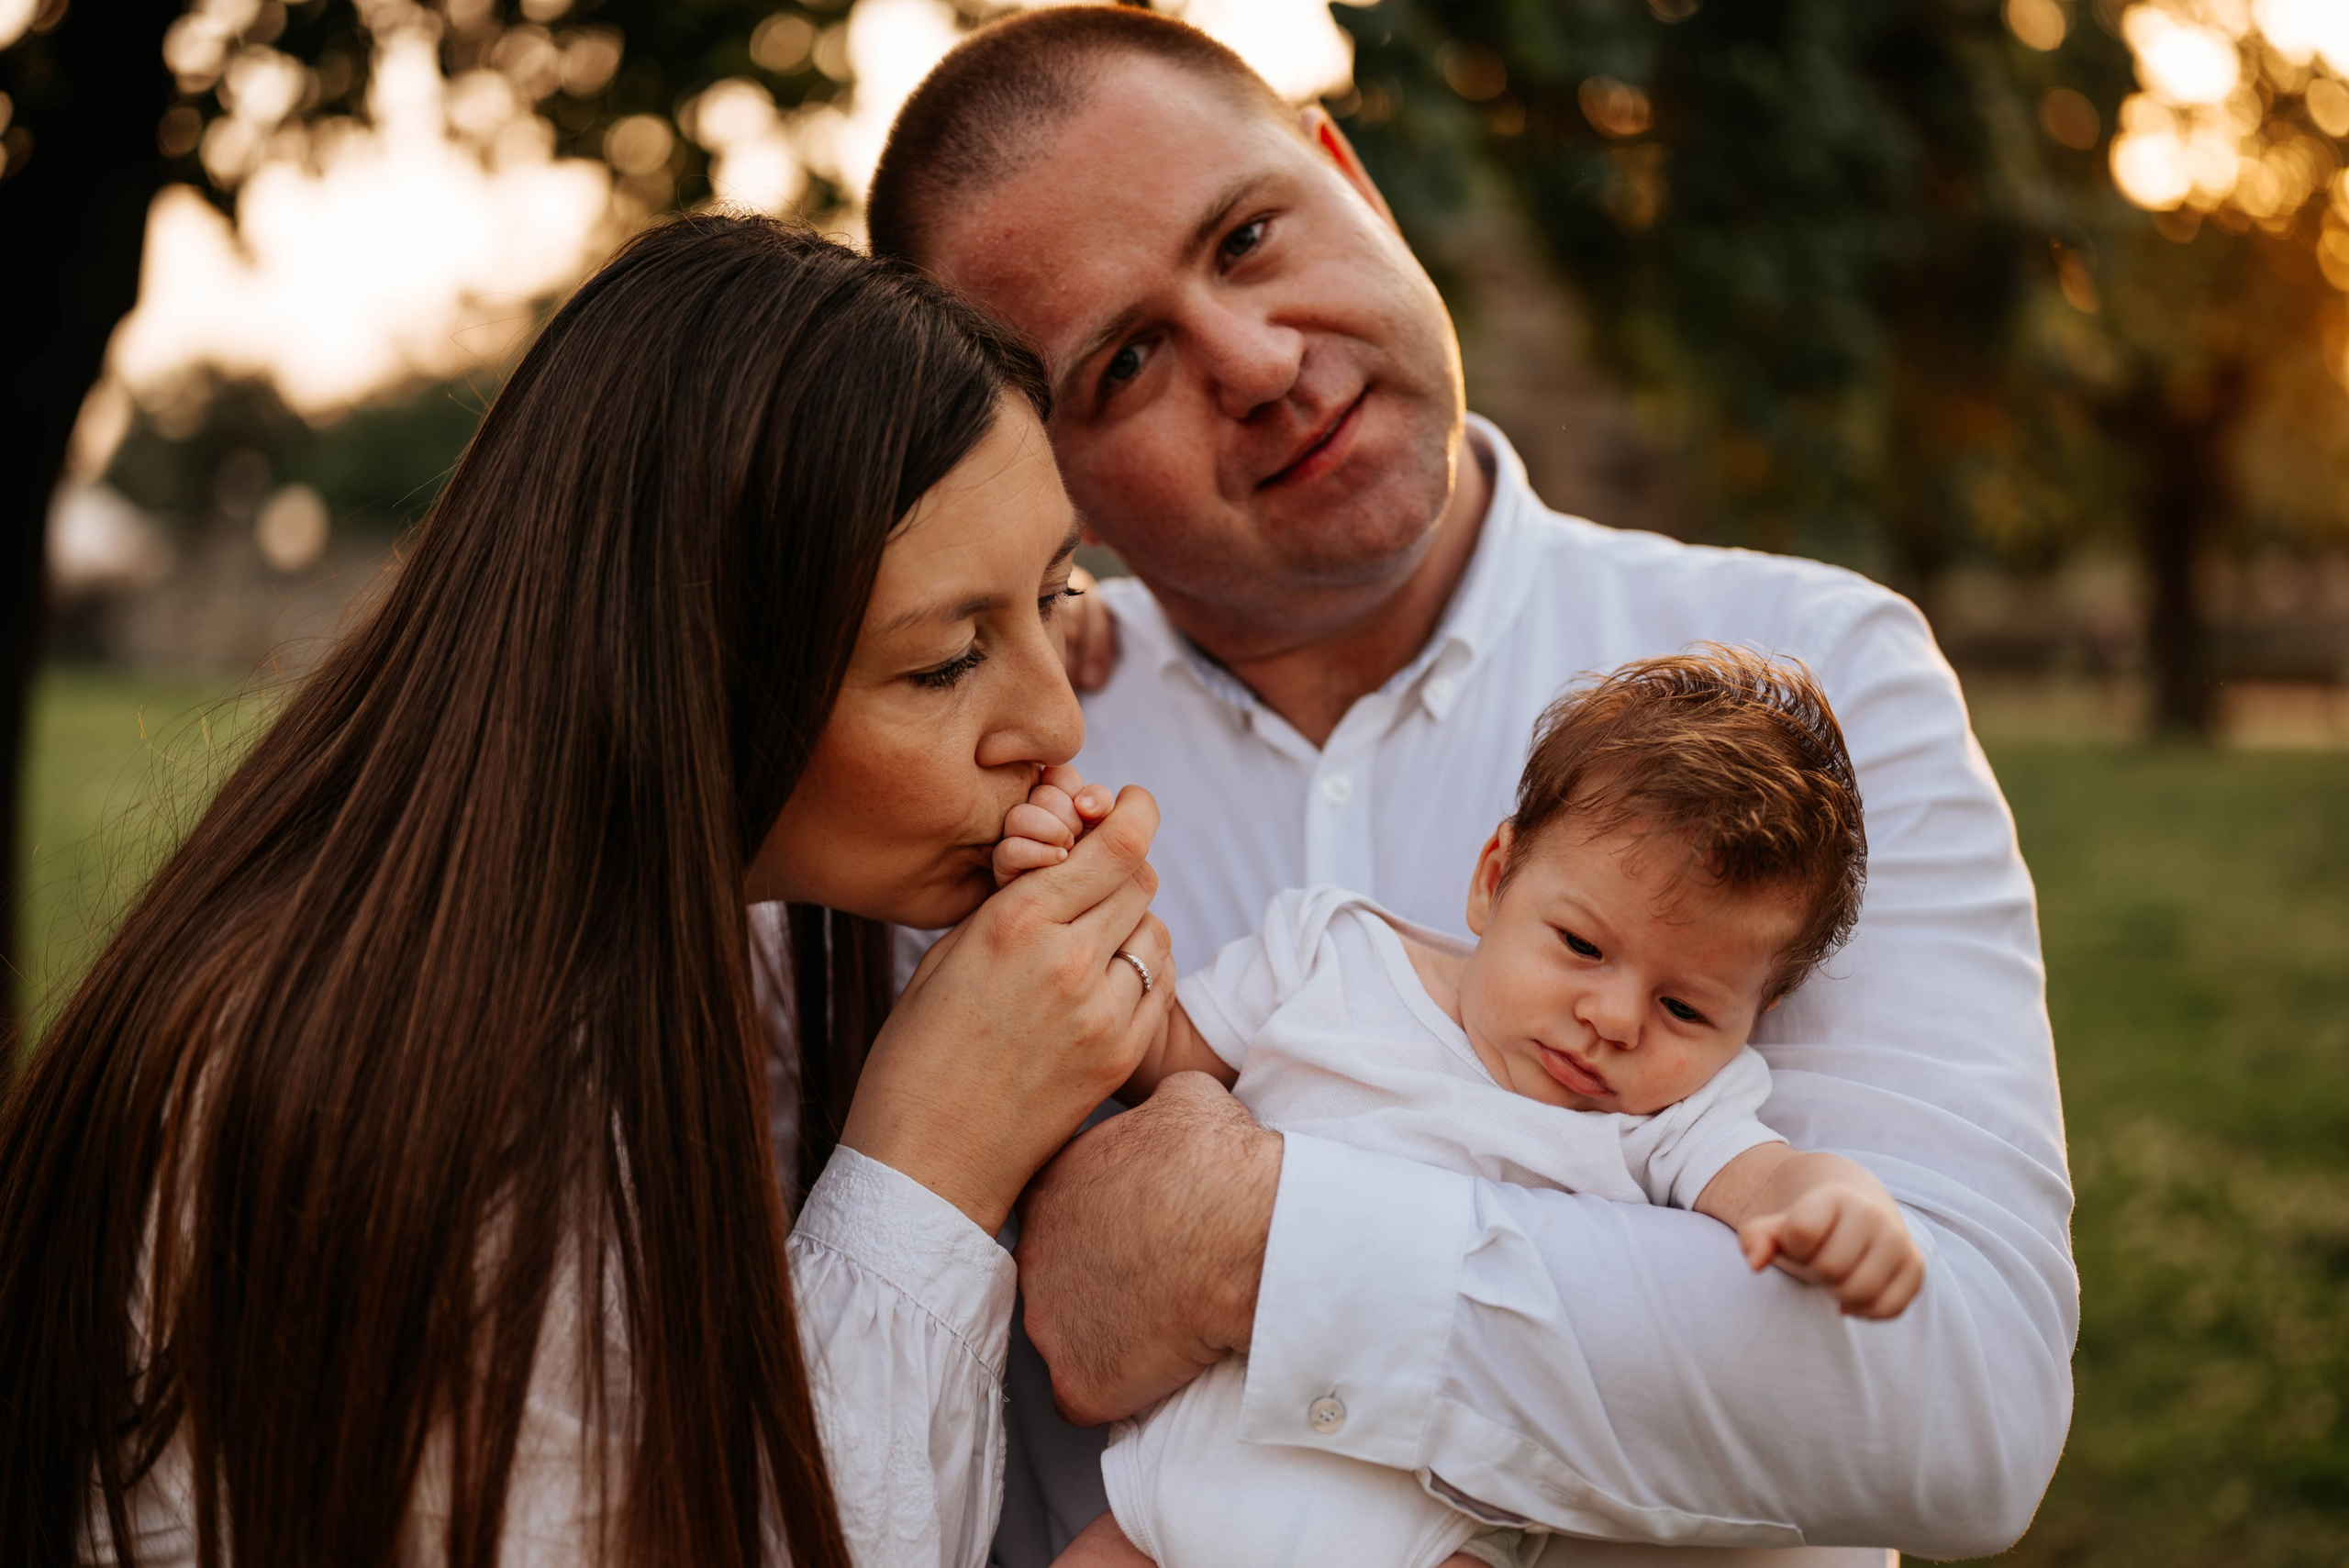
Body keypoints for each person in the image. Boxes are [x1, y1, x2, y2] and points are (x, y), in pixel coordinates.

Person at [864, 8, 2075, 1565]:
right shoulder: (995, 771)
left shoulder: (1820, 677)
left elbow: (1955, 1407)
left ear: (1348, 174)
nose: (1256, 364)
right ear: (1046, 466)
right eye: (1126, 361)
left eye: (1246, 236)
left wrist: (1250, 1244)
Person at [0, 217, 1173, 1568]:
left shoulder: (695, 947)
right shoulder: (408, 1097)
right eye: (945, 661)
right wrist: (933, 1166)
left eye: (1055, 591)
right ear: (694, 664)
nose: (1054, 725)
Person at [1000, 651, 1923, 1568]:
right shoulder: (1334, 956)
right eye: (1579, 944)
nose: (1612, 1018)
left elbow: (1761, 1175)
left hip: (1436, 1530)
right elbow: (1151, 1048)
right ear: (1495, 876)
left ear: (1752, 1018)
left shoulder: (1672, 1112)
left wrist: (1836, 1201)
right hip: (1175, 1488)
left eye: (1683, 1007)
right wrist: (1073, 892)